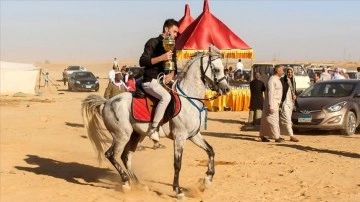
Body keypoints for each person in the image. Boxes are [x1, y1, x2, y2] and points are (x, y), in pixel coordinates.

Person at [139, 18, 179, 143]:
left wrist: (172, 74)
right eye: (174, 31)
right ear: (166, 30)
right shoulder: (153, 42)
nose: (175, 35)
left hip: (164, 82)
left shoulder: (172, 46)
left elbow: (175, 65)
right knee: (166, 97)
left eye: (177, 33)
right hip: (150, 80)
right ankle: (153, 128)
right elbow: (142, 61)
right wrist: (161, 58)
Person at [258, 65, 284, 143]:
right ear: (277, 71)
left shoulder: (276, 79)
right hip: (271, 103)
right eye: (282, 70)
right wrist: (271, 106)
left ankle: (263, 135)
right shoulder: (272, 80)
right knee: (272, 120)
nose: (283, 72)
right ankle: (276, 137)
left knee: (267, 121)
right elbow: (270, 93)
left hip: (275, 103)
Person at [279, 67, 299, 142]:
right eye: (288, 72)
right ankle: (291, 135)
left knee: (286, 120)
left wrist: (295, 96)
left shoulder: (293, 81)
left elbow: (294, 91)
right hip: (284, 103)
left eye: (291, 72)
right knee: (287, 119)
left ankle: (279, 134)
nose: (289, 73)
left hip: (291, 103)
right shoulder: (283, 81)